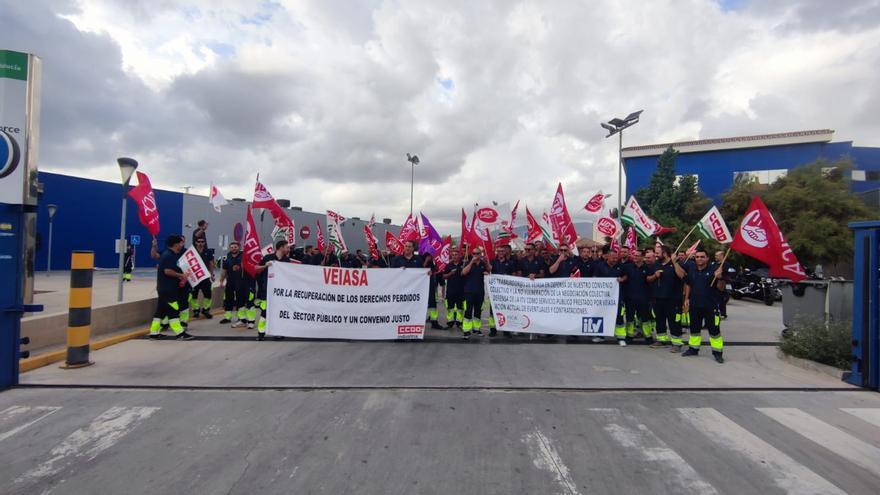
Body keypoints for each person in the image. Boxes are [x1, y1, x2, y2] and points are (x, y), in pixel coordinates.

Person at [674, 248, 726, 363]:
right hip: (695, 305)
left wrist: (720, 278)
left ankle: (718, 353)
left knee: (714, 331)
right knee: (694, 329)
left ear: (707, 258)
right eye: (697, 257)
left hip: (710, 306)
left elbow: (721, 288)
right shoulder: (692, 269)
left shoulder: (714, 270)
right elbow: (685, 280)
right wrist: (687, 298)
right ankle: (693, 349)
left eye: (702, 257)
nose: (699, 259)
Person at [149, 235, 194, 340]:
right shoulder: (169, 255)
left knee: (160, 311)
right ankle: (180, 333)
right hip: (169, 288)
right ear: (176, 244)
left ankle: (154, 332)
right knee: (173, 310)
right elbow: (167, 271)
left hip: (163, 288)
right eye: (180, 243)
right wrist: (181, 275)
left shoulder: (167, 254)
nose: (181, 245)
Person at [254, 239, 292, 340]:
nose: (288, 249)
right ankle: (261, 333)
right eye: (287, 247)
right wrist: (265, 265)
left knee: (278, 312)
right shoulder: (268, 257)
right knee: (264, 312)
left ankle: (277, 332)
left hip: (280, 292)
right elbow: (256, 268)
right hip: (266, 291)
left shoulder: (286, 260)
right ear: (281, 247)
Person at [592, 245, 628, 346]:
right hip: (603, 298)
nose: (615, 260)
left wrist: (622, 279)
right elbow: (594, 277)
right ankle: (600, 336)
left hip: (617, 297)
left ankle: (620, 337)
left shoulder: (621, 266)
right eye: (613, 258)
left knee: (619, 316)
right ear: (607, 256)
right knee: (602, 315)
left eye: (616, 258)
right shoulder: (600, 266)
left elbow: (626, 276)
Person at [621, 249, 654, 344]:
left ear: (643, 257)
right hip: (630, 298)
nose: (635, 257)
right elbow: (622, 277)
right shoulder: (627, 267)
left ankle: (648, 336)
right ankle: (629, 336)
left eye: (638, 255)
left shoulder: (648, 268)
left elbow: (650, 281)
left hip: (643, 298)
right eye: (634, 255)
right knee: (630, 318)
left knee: (645, 319)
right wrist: (622, 279)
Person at [461, 247, 491, 339]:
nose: (475, 255)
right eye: (474, 253)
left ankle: (476, 329)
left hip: (480, 292)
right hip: (469, 292)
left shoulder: (482, 263)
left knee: (478, 311)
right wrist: (471, 262)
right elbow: (463, 273)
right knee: (468, 311)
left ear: (481, 254)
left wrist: (486, 262)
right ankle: (466, 331)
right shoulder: (468, 262)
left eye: (478, 253)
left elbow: (489, 270)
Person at [489, 244, 519, 336]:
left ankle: (506, 330)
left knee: (506, 309)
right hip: (495, 291)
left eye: (502, 251)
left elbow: (514, 275)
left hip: (506, 291)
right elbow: (489, 272)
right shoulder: (493, 262)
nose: (501, 253)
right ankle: (493, 329)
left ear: (505, 252)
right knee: (493, 310)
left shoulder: (510, 262)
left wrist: (508, 277)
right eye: (499, 251)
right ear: (497, 252)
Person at [219, 241, 247, 326]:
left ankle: (241, 318)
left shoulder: (244, 256)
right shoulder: (227, 257)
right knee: (228, 299)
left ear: (239, 247)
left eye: (235, 247)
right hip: (230, 281)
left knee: (240, 299)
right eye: (231, 247)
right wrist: (221, 281)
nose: (233, 248)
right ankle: (228, 317)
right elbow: (224, 270)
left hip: (241, 281)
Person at [189, 238, 216, 319]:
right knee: (193, 295)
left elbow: (211, 263)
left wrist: (211, 274)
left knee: (208, 295)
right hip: (194, 277)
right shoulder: (191, 252)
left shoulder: (208, 252)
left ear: (204, 243)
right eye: (199, 242)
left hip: (205, 277)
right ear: (196, 243)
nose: (200, 243)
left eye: (202, 242)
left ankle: (206, 310)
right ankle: (196, 310)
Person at [443, 248, 465, 329]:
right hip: (451, 290)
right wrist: (450, 273)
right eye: (453, 255)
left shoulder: (463, 264)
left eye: (456, 255)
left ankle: (459, 322)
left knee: (460, 308)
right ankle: (450, 322)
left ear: (459, 255)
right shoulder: (448, 265)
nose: (454, 256)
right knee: (450, 308)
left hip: (461, 290)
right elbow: (444, 276)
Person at [715, 250, 735, 319]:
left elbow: (723, 273)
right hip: (715, 283)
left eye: (717, 255)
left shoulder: (725, 264)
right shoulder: (715, 263)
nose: (716, 256)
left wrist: (719, 273)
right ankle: (716, 311)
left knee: (721, 299)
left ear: (722, 256)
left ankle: (723, 313)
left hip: (722, 283)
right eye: (715, 255)